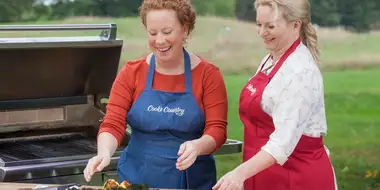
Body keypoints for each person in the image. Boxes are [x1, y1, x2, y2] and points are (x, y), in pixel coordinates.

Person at [82, 0, 228, 189]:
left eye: (167, 32)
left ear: (185, 29)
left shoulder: (208, 75)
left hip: (191, 180)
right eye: (152, 33)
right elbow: (113, 123)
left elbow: (217, 129)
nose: (159, 40)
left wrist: (197, 146)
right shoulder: (131, 73)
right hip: (136, 177)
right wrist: (104, 153)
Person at [213, 0, 338, 190]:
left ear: (296, 25)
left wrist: (238, 174)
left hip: (296, 177)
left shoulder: (299, 72)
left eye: (270, 26)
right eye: (259, 25)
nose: (262, 33)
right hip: (264, 174)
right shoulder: (270, 59)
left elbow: (281, 144)